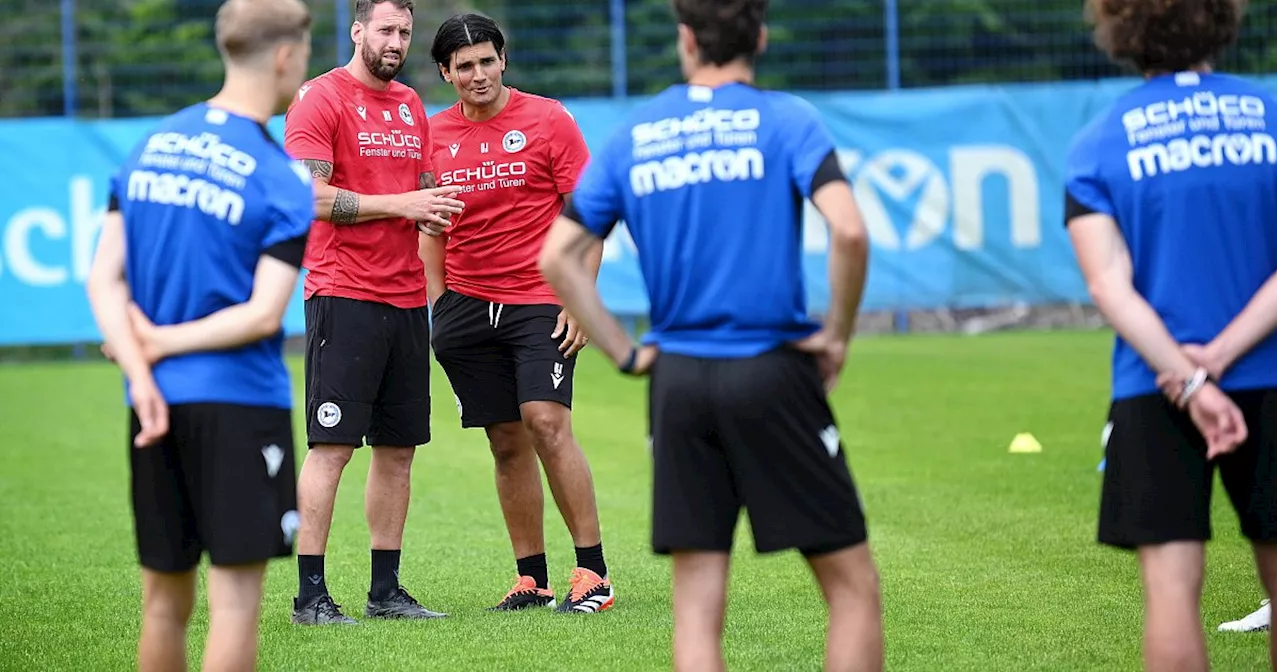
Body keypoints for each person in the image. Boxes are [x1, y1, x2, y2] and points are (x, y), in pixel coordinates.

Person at [539, 0, 882, 668]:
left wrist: (625, 351)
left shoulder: (638, 132)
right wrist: (836, 334)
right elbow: (849, 229)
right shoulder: (788, 119)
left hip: (679, 380)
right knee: (850, 587)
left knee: (697, 605)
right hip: (772, 368)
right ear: (760, 35)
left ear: (687, 39)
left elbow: (556, 256)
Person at [85, 0, 315, 669]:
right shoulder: (279, 178)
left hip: (151, 405)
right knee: (237, 604)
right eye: (303, 52)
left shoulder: (149, 145)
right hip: (242, 407)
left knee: (163, 602)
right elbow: (265, 314)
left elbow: (104, 281)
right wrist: (159, 345)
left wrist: (140, 364)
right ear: (283, 56)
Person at [1064, 0, 1277, 667]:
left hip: (1153, 384)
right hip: (1271, 377)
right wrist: (1222, 354)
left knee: (1170, 591)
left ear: (1120, 30)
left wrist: (1189, 379)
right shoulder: (1273, 117)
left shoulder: (1098, 142)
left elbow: (1108, 287)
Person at [422, 12, 614, 613]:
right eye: (464, 66)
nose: (477, 74)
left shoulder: (548, 119)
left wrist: (580, 300)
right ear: (445, 72)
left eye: (487, 61)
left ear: (503, 61)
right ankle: (532, 579)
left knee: (546, 421)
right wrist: (437, 307)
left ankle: (593, 574)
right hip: (466, 307)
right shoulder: (432, 134)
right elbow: (430, 229)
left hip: (541, 300)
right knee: (505, 441)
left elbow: (589, 218)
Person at [284, 0, 465, 625]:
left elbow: (416, 193)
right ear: (358, 30)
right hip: (343, 293)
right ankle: (310, 595)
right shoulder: (319, 97)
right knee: (332, 447)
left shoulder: (412, 103)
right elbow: (308, 195)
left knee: (398, 449)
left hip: (405, 298)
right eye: (386, 29)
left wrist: (432, 208)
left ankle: (385, 592)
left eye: (405, 31)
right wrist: (404, 205)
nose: (396, 41)